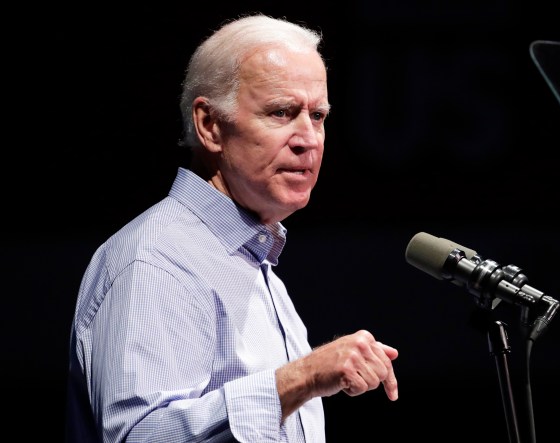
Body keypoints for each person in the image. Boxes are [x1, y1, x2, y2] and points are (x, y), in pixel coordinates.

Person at [65, 13, 399, 443]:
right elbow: (140, 435)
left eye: (317, 116)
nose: (308, 139)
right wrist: (302, 377)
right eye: (281, 112)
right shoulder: (156, 260)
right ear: (210, 125)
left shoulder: (252, 261)